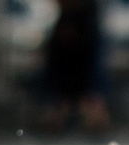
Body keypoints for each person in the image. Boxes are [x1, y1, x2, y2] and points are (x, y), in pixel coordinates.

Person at [38, 0, 110, 136]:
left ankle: (88, 103)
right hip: (65, 82)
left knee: (92, 104)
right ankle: (62, 106)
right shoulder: (63, 28)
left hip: (84, 80)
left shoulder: (88, 26)